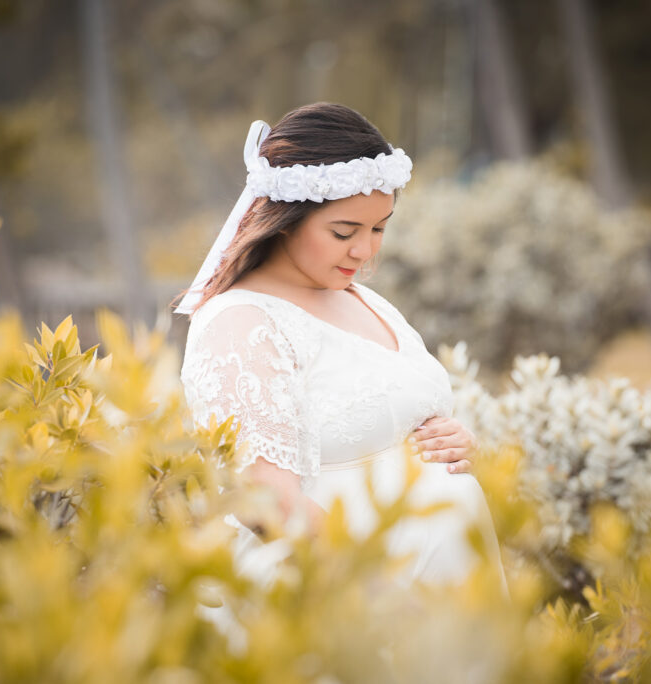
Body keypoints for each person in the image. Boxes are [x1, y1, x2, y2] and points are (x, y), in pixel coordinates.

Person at [177, 102, 506, 591]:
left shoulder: (360, 298)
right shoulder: (242, 324)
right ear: (285, 218)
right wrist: (381, 581)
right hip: (349, 592)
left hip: (447, 588)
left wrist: (457, 446)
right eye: (343, 232)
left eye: (379, 228)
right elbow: (264, 499)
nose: (365, 250)